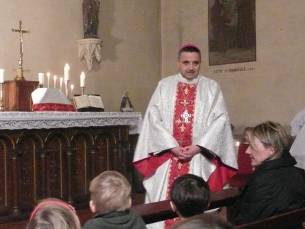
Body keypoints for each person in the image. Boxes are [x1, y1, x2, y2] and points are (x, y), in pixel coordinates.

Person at [133, 43, 237, 228]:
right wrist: (172, 146)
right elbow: (153, 118)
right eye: (186, 62)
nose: (191, 67)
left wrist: (198, 147)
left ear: (200, 63)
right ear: (178, 63)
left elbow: (220, 121)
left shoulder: (211, 87)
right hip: (170, 156)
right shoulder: (164, 85)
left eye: (195, 63)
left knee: (199, 208)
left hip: (197, 156)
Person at [232, 121, 305, 225]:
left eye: (252, 146)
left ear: (271, 150)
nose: (247, 151)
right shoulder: (298, 173)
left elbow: (246, 220)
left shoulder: (262, 180)